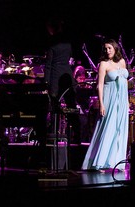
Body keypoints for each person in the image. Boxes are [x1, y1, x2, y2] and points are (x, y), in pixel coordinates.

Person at [82, 39, 129, 171]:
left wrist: (126, 102)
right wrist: (101, 104)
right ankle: (99, 161)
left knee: (119, 130)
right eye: (105, 48)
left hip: (121, 101)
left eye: (109, 48)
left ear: (115, 48)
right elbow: (100, 85)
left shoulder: (122, 62)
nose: (107, 51)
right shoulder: (103, 64)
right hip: (109, 99)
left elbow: (124, 83)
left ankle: (116, 161)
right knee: (106, 128)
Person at [44, 16, 81, 145]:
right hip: (68, 76)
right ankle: (77, 135)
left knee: (54, 108)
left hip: (55, 78)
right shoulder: (67, 42)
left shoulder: (52, 42)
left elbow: (49, 64)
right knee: (71, 107)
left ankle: (51, 135)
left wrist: (46, 82)